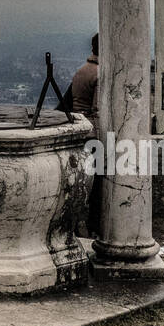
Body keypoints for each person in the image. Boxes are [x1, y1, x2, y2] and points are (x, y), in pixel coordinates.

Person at [68, 34, 101, 237]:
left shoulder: (81, 70)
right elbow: (98, 109)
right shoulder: (99, 74)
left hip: (79, 131)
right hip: (92, 133)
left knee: (80, 182)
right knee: (95, 185)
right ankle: (90, 228)